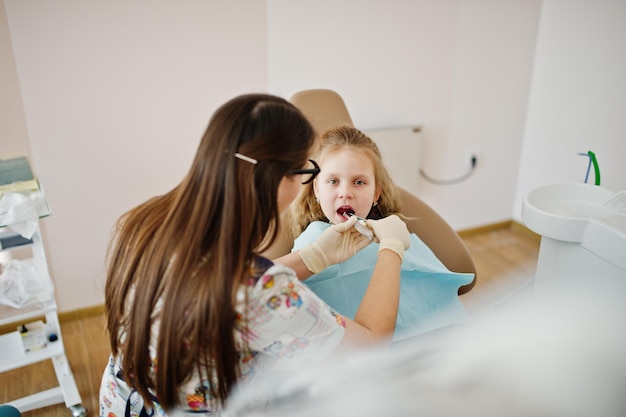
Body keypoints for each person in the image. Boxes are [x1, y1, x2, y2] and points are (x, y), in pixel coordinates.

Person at [99, 94, 411, 416]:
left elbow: (215, 292)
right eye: (307, 172)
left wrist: (312, 257)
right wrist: (392, 249)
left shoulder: (143, 222)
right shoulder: (263, 290)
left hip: (123, 403)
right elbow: (368, 346)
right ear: (277, 178)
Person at [285, 125, 474, 340]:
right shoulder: (312, 241)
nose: (345, 193)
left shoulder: (393, 232)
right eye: (333, 181)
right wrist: (315, 255)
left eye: (359, 182)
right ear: (317, 189)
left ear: (376, 193)